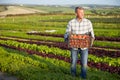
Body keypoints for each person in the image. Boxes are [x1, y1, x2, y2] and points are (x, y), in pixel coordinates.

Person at [64, 7, 95, 79]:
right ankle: (73, 76)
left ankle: (83, 77)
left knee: (84, 64)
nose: (82, 14)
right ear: (76, 13)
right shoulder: (71, 22)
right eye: (80, 13)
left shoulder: (88, 22)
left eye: (83, 12)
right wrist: (68, 37)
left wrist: (91, 40)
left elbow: (92, 34)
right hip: (74, 46)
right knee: (73, 63)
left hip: (84, 47)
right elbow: (66, 33)